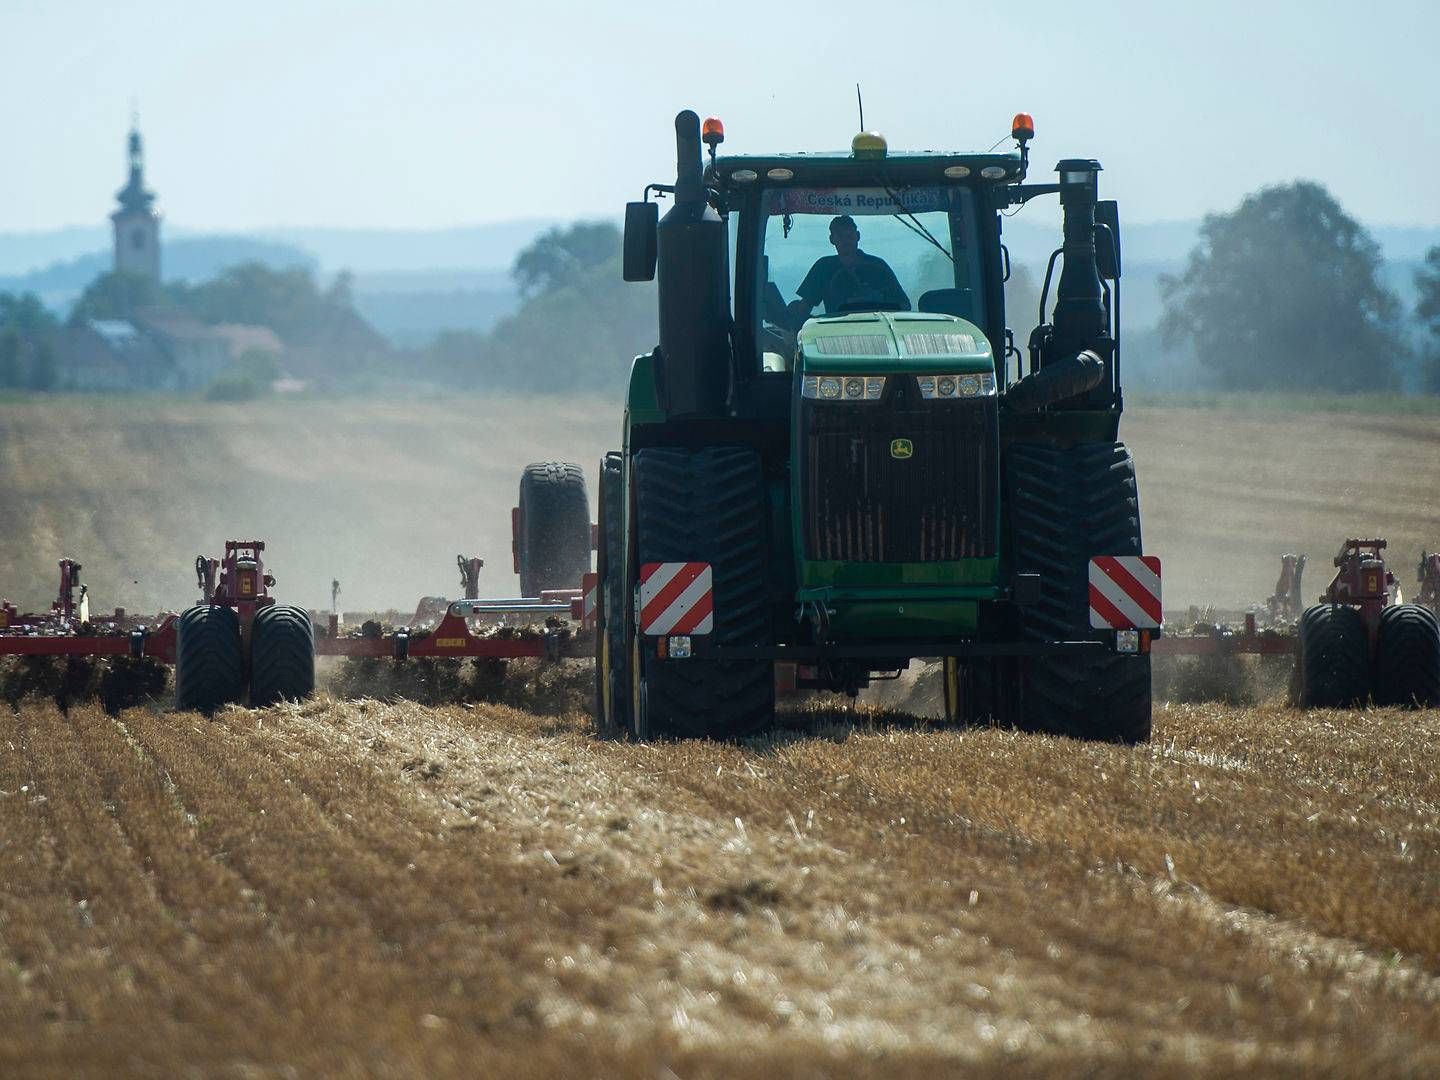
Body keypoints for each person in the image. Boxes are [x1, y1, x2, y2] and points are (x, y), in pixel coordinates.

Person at [787, 216, 910, 324]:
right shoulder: (823, 268)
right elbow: (805, 306)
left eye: (850, 236)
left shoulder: (878, 266)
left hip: (879, 330)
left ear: (858, 236)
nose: (846, 241)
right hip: (837, 335)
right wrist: (793, 317)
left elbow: (904, 305)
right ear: (832, 239)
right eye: (840, 236)